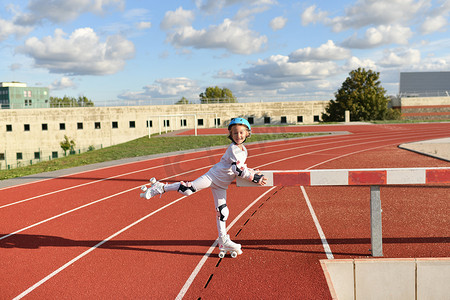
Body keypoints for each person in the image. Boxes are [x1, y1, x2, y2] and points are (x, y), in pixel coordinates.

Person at [139, 117, 267, 258]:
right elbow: (237, 169)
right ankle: (161, 187)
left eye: (242, 132)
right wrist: (255, 178)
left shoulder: (243, 150)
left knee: (223, 212)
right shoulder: (233, 149)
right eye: (235, 133)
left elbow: (242, 166)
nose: (238, 136)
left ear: (248, 133)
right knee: (188, 190)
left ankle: (223, 240)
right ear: (230, 134)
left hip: (222, 184)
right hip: (212, 177)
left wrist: (253, 171)